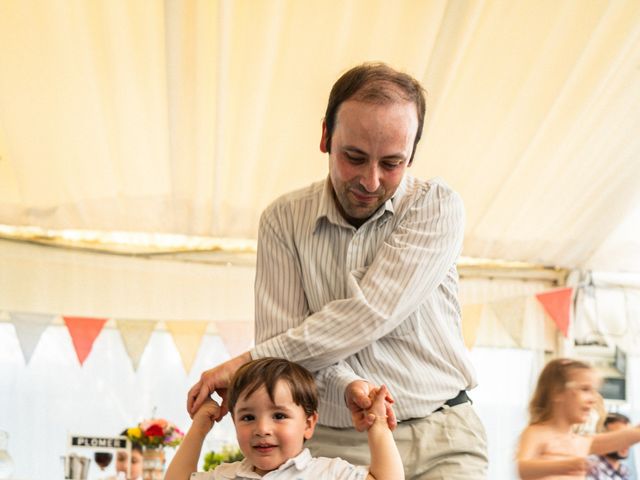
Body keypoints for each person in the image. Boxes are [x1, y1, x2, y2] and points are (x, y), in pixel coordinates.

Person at [188, 62, 488, 479]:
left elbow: (369, 314)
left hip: (438, 437)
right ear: (326, 136)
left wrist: (247, 361)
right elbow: (287, 352)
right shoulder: (283, 220)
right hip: (329, 446)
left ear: (413, 154)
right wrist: (349, 387)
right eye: (354, 157)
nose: (370, 179)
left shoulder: (435, 206)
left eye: (392, 163)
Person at [168, 357, 403, 479]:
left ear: (308, 424)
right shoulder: (226, 475)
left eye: (279, 415)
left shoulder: (328, 473)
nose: (262, 428)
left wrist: (378, 425)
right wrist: (199, 428)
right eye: (248, 417)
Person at [516, 358, 640, 479]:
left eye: (594, 391)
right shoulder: (536, 433)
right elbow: (523, 469)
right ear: (557, 392)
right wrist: (564, 466)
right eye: (585, 389)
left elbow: (631, 435)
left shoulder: (581, 442)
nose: (593, 399)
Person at [587, 413, 634, 480]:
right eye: (619, 436)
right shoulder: (589, 468)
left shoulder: (623, 470)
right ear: (602, 437)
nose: (625, 442)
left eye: (628, 437)